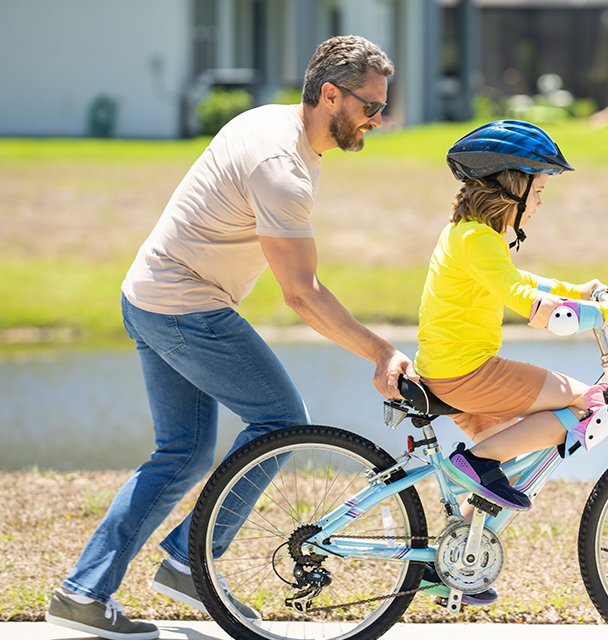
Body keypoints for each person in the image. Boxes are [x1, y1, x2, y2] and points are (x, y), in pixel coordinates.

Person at [45, 35, 418, 640]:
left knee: (183, 454)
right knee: (280, 420)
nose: (379, 119)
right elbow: (301, 293)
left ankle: (85, 594)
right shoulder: (282, 169)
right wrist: (381, 352)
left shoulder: (274, 126)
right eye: (370, 106)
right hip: (185, 308)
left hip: (148, 296)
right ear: (330, 95)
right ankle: (189, 562)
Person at [413, 120, 608, 605]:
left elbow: (520, 278)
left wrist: (579, 291)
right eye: (540, 191)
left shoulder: (473, 236)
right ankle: (475, 461)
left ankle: (448, 565)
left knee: (505, 462)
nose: (540, 204)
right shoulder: (477, 240)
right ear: (513, 185)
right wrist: (599, 313)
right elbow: (529, 305)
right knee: (589, 404)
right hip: (467, 372)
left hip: (452, 369)